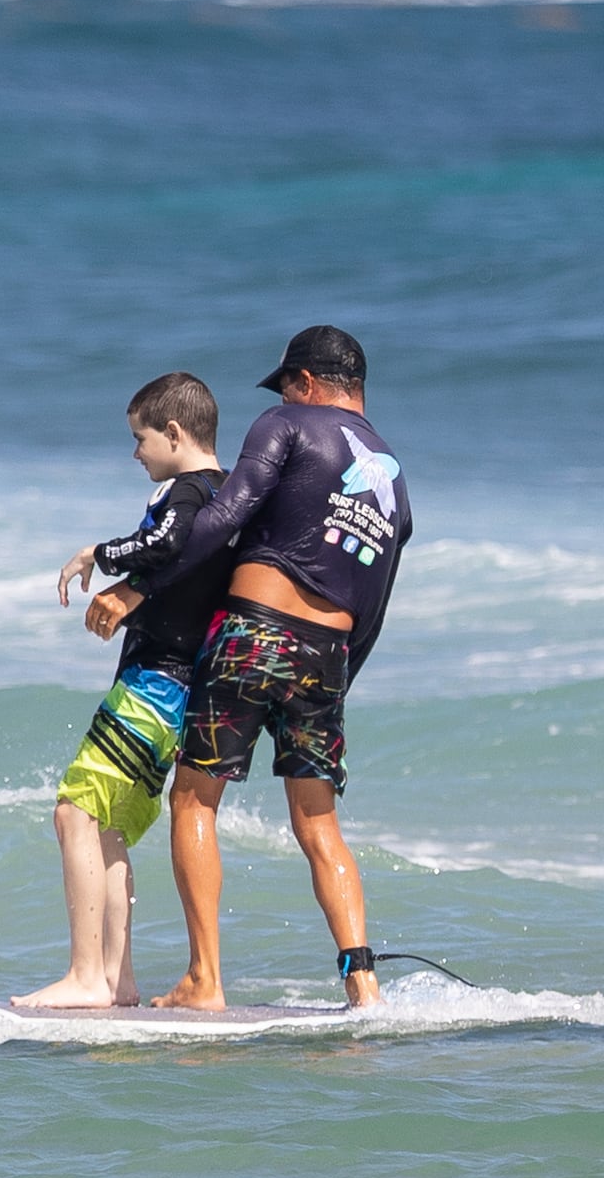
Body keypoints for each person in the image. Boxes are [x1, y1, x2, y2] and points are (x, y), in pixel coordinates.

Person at [117, 327, 412, 1011]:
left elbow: (222, 518)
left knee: (194, 799)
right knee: (318, 823)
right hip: (328, 655)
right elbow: (376, 597)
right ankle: (363, 984)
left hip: (254, 631)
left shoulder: (285, 424)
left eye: (286, 383)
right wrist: (338, 674)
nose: (281, 395)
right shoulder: (393, 476)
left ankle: (204, 979)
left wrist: (141, 586)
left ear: (308, 381)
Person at [14, 373, 231, 1009]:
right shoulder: (225, 499)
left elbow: (163, 544)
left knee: (74, 811)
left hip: (154, 688)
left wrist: (96, 554)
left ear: (173, 433)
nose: (135, 453)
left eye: (140, 439)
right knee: (104, 826)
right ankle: (116, 980)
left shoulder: (188, 493)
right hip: (179, 693)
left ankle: (86, 977)